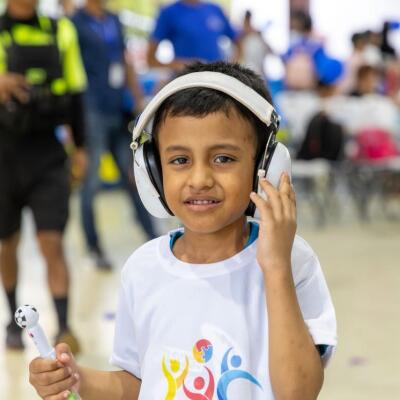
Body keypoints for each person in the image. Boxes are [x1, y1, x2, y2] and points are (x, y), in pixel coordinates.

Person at [28, 61, 337, 399]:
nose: (200, 179)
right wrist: (76, 380)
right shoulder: (143, 269)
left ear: (265, 166)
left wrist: (276, 266)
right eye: (179, 160)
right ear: (152, 171)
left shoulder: (291, 260)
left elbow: (298, 392)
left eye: (223, 158)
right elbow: (140, 383)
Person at [0, 0, 87, 352]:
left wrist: (81, 148)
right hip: (4, 155)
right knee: (6, 243)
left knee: (52, 241)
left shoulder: (61, 29)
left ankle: (64, 326)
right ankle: (13, 321)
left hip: (48, 154)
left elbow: (76, 93)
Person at [71, 0, 157, 270]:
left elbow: (125, 61)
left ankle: (153, 238)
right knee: (91, 183)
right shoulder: (76, 23)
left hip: (118, 109)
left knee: (134, 176)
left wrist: (138, 99)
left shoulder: (114, 20)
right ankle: (94, 246)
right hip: (91, 111)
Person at [147, 0, 241, 72]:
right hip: (186, 81)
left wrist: (231, 67)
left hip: (216, 79)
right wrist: (179, 65)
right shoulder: (169, 12)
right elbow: (150, 59)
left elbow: (238, 41)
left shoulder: (215, 9)